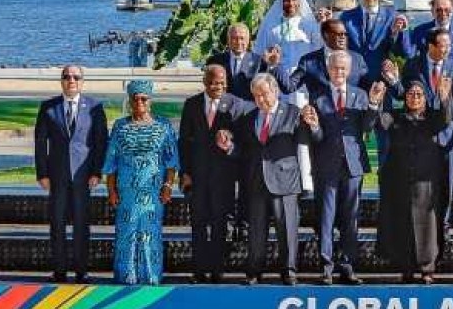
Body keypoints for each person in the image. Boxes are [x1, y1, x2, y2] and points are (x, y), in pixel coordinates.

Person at [305, 52, 384, 284]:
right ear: (328, 70)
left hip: (353, 164)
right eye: (335, 68)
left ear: (349, 71)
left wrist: (373, 103)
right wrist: (313, 127)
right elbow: (317, 137)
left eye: (343, 69)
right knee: (326, 218)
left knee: (351, 218)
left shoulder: (360, 95)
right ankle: (326, 267)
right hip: (326, 165)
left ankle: (348, 266)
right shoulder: (317, 97)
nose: (339, 72)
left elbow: (368, 127)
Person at [396, 26, 453, 251]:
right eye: (442, 46)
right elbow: (404, 95)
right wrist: (392, 82)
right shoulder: (413, 65)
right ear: (431, 46)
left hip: (447, 138)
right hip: (421, 139)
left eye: (449, 46)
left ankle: (444, 227)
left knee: (447, 186)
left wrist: (448, 108)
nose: (447, 50)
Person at [34, 64, 108, 283]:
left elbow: (100, 142)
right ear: (61, 81)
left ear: (82, 81)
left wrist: (97, 172)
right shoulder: (48, 107)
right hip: (56, 177)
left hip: (84, 177)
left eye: (76, 77)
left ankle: (81, 270)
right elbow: (40, 143)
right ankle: (59, 270)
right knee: (57, 223)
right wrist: (42, 174)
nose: (71, 80)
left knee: (81, 223)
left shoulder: (95, 107)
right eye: (67, 77)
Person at [378, 81, 453, 283]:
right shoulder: (396, 118)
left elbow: (447, 119)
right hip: (400, 181)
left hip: (426, 182)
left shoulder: (432, 118)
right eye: (411, 94)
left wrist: (445, 98)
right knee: (403, 225)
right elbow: (379, 121)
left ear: (425, 98)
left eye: (419, 94)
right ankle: (407, 267)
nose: (414, 97)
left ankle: (427, 268)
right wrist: (376, 101)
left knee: (428, 228)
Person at [101, 79, 177, 286]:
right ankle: (126, 278)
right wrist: (111, 190)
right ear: (130, 101)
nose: (139, 102)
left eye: (144, 98)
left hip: (153, 192)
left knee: (150, 234)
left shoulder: (163, 126)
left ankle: (151, 278)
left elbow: (172, 161)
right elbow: (111, 161)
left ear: (150, 100)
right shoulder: (120, 126)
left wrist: (168, 186)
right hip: (127, 192)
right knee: (127, 234)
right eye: (135, 99)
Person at [238, 73, 310, 285]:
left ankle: (288, 270)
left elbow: (308, 142)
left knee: (286, 228)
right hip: (256, 181)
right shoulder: (249, 118)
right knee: (257, 230)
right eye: (256, 95)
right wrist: (229, 147)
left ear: (275, 91)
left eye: (264, 94)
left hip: (286, 181)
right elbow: (244, 151)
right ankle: (254, 270)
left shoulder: (293, 113)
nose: (261, 99)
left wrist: (312, 125)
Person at [178, 63, 244, 282]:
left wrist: (230, 147)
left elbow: (243, 144)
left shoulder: (235, 104)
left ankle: (217, 271)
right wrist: (185, 173)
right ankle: (199, 271)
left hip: (223, 178)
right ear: (205, 82)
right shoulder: (191, 104)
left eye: (222, 82)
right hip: (197, 177)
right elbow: (183, 142)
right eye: (214, 82)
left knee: (219, 226)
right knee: (197, 225)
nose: (219, 86)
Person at [287, 19, 373, 99]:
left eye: (345, 34)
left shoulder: (357, 59)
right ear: (326, 35)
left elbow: (369, 88)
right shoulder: (308, 61)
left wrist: (386, 78)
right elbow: (289, 87)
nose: (343, 37)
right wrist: (273, 66)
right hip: (320, 114)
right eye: (338, 34)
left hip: (350, 113)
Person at [340, 0, 408, 75]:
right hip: (353, 77)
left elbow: (402, 52)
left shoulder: (392, 17)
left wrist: (400, 32)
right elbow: (339, 46)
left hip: (381, 78)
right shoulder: (346, 17)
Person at [253, 0, 321, 71]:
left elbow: (318, 49)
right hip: (277, 74)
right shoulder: (270, 25)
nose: (291, 3)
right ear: (281, 2)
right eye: (287, 0)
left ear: (299, 2)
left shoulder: (309, 25)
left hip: (303, 75)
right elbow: (259, 51)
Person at [405, 0, 453, 69]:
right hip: (426, 78)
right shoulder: (420, 31)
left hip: (452, 78)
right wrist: (403, 31)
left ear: (452, 10)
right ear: (432, 10)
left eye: (447, 10)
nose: (443, 13)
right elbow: (410, 55)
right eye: (439, 10)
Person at [208, 24, 268, 89]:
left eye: (242, 38)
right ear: (228, 40)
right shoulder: (216, 61)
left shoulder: (258, 62)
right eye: (234, 38)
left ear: (248, 40)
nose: (238, 42)